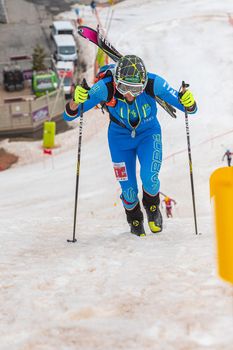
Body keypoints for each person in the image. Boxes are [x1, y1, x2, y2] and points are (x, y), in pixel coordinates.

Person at [64, 55, 197, 237]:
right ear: (117, 81)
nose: (129, 94)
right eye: (124, 87)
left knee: (149, 177)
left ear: (143, 84)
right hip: (119, 139)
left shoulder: (154, 83)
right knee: (128, 190)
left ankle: (152, 207)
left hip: (148, 134)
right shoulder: (105, 87)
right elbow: (70, 114)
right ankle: (134, 218)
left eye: (135, 89)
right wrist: (76, 100)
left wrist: (188, 101)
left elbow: (188, 107)